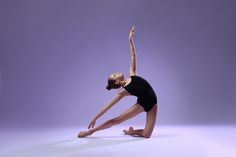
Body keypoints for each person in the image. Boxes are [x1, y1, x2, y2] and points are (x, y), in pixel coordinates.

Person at [78, 26, 158, 138]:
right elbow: (107, 106)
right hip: (142, 104)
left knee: (146, 135)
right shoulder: (123, 92)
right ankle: (90, 132)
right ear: (116, 81)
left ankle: (131, 132)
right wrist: (95, 118)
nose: (116, 72)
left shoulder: (132, 74)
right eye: (114, 75)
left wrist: (130, 40)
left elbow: (133, 55)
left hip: (153, 103)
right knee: (116, 120)